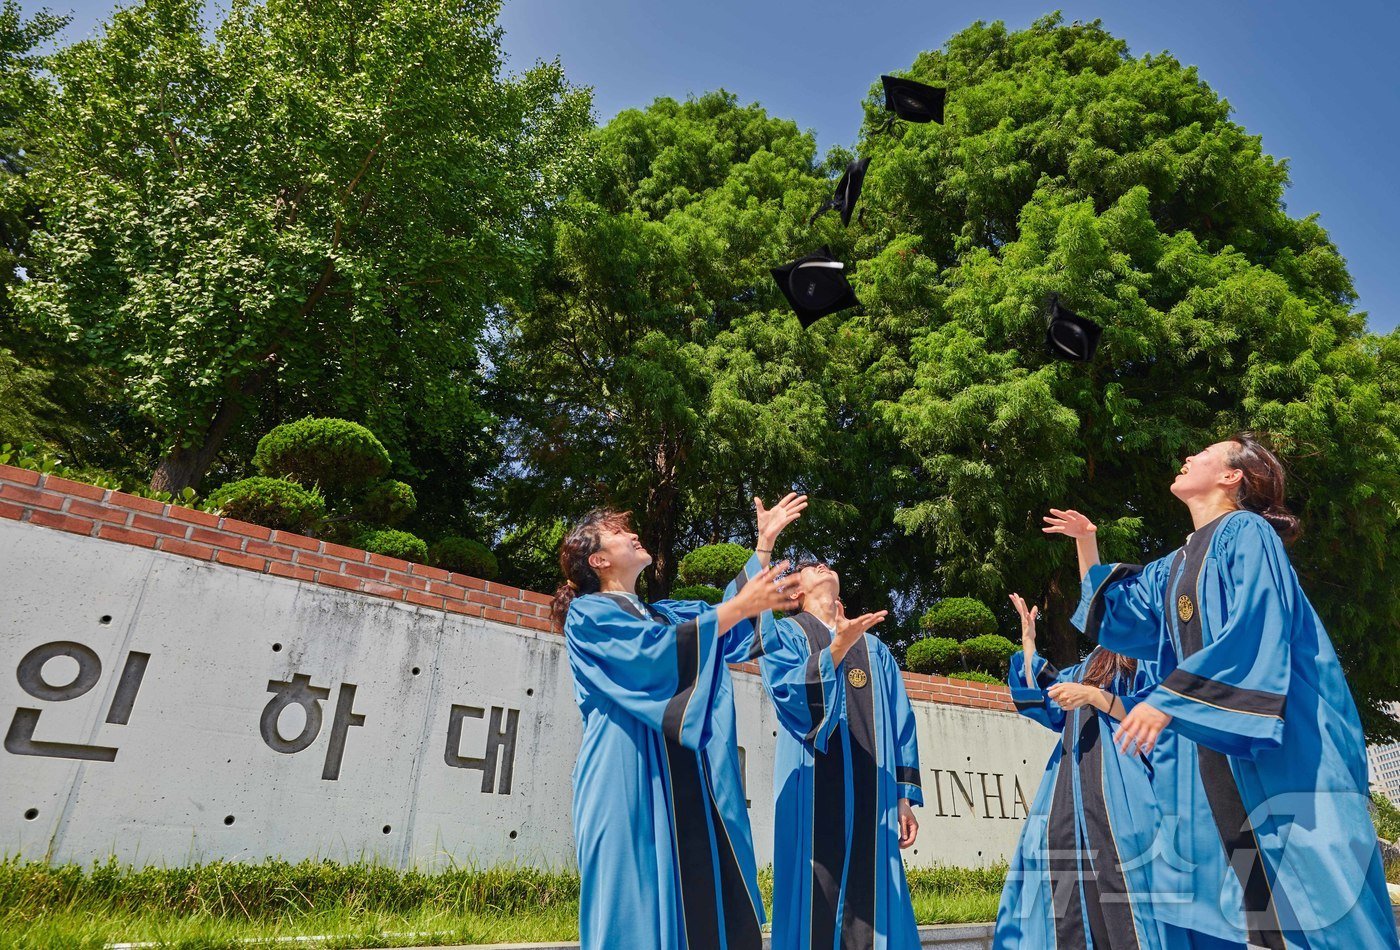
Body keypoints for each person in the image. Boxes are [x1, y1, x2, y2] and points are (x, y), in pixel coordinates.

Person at [1051, 433, 1399, 949]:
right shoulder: (1175, 566)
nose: (1187, 456)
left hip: (1279, 739)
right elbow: (1118, 619)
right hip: (1215, 751)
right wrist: (1087, 542)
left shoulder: (1247, 532)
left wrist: (1168, 699)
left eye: (1204, 455)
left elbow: (1257, 625)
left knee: (1318, 890)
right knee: (1248, 902)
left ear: (1232, 476)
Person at [554, 500, 805, 950]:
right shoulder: (589, 614)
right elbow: (651, 654)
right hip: (628, 777)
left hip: (690, 776)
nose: (633, 534)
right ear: (599, 560)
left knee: (706, 900)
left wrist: (763, 545)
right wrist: (736, 608)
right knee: (636, 905)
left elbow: (729, 623)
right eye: (617, 532)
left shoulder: (667, 613)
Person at [755, 495, 923, 950]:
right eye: (812, 566)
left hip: (873, 796)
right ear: (795, 594)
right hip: (813, 791)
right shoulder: (787, 635)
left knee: (876, 903)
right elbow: (789, 696)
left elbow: (901, 725)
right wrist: (832, 651)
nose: (823, 565)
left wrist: (904, 798)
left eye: (827, 564)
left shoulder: (875, 650)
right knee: (816, 895)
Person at [993, 593, 1171, 949]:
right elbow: (1043, 702)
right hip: (1067, 798)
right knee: (1073, 905)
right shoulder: (1084, 668)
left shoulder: (1150, 654)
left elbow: (1158, 713)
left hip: (1120, 794)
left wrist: (1092, 697)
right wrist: (1029, 644)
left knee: (1127, 901)